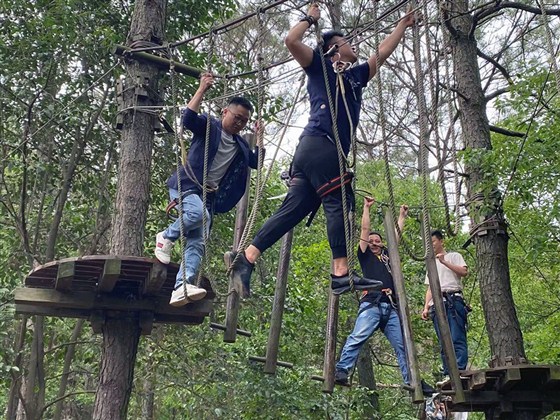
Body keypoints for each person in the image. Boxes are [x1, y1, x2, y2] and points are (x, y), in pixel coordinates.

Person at [225, 4, 417, 297]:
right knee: (339, 200)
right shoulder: (320, 68)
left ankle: (247, 257)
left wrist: (402, 24)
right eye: (347, 43)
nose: (355, 46)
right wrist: (310, 19)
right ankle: (340, 271)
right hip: (321, 145)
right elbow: (291, 41)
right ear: (334, 50)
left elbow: (381, 53)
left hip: (311, 154)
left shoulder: (354, 79)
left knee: (293, 210)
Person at [155, 73, 260, 307]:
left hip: (208, 196)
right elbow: (188, 119)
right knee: (197, 215)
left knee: (198, 242)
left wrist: (259, 139)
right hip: (186, 185)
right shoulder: (209, 126)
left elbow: (256, 163)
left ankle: (182, 286)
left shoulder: (240, 144)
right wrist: (202, 89)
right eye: (236, 117)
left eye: (244, 121)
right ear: (225, 112)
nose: (239, 123)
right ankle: (165, 237)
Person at [334, 197, 410, 385]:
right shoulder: (365, 255)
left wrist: (402, 216)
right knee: (358, 336)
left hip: (390, 308)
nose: (375, 243)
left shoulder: (387, 257)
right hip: (372, 304)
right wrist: (366, 208)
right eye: (372, 241)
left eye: (378, 241)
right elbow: (364, 231)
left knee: (402, 346)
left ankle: (411, 380)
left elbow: (395, 236)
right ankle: (342, 370)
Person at [421, 230, 469, 383]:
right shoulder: (430, 264)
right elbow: (429, 288)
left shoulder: (454, 256)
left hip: (453, 300)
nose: (431, 245)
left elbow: (463, 272)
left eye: (433, 241)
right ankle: (448, 372)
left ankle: (460, 369)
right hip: (437, 303)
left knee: (456, 337)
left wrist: (444, 262)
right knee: (443, 341)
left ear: (441, 241)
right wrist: (426, 307)